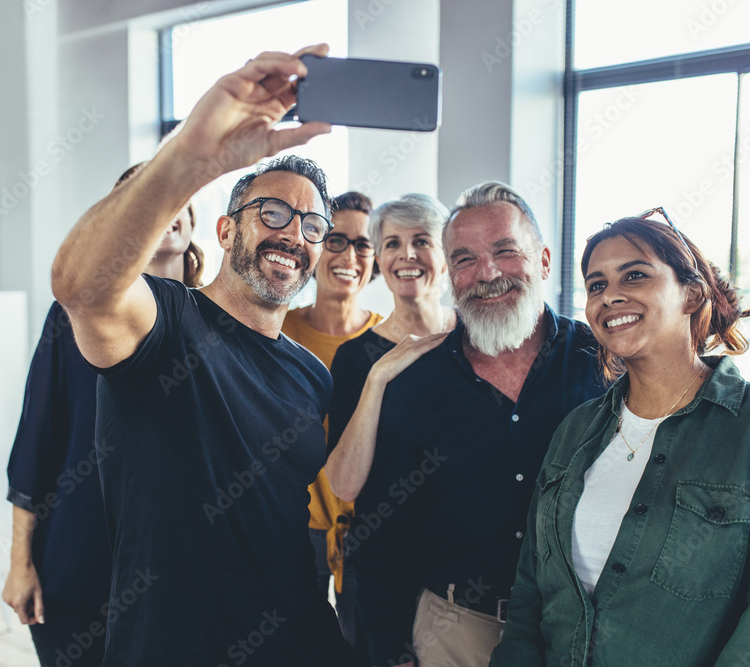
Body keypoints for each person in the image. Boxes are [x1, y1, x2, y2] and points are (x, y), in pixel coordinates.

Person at [50, 45, 357, 666]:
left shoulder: (309, 373)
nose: (293, 235)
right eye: (272, 212)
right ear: (225, 230)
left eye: (312, 226)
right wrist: (192, 159)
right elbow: (80, 286)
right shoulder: (168, 322)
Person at [491, 211, 750, 666]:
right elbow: (529, 593)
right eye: (596, 285)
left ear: (692, 293)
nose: (610, 296)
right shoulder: (575, 431)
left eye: (635, 275)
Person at [353, 182, 606, 667]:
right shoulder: (413, 380)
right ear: (451, 275)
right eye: (465, 259)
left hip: (579, 625)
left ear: (545, 261)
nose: (487, 273)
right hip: (453, 631)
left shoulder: (602, 362)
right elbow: (381, 527)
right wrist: (388, 646)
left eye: (506, 251)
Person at [2, 161, 204, 667]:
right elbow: (36, 440)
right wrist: (19, 561)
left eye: (172, 196)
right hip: (76, 561)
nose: (161, 209)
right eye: (141, 199)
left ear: (195, 221)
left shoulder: (217, 321)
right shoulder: (72, 316)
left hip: (180, 572)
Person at [280, 191, 383, 663]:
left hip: (367, 530)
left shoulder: (391, 341)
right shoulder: (278, 332)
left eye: (363, 244)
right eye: (335, 240)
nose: (349, 256)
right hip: (290, 527)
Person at [325, 194, 458, 504]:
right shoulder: (355, 358)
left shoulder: (475, 338)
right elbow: (343, 485)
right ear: (381, 261)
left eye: (422, 241)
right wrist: (378, 377)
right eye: (392, 244)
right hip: (388, 545)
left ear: (447, 256)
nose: (407, 254)